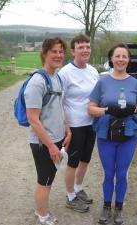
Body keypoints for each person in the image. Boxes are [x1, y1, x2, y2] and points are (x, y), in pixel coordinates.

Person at [88, 43, 137, 225]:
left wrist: (135, 110)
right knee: (108, 173)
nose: (121, 59)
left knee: (121, 174)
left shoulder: (136, 84)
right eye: (117, 56)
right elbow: (91, 108)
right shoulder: (102, 81)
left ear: (128, 60)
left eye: (124, 56)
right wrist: (107, 110)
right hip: (106, 135)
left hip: (128, 136)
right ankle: (107, 206)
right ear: (111, 59)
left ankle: (119, 208)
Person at [24, 37, 71, 225]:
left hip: (56, 139)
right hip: (43, 142)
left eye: (61, 52)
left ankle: (41, 210)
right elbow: (33, 119)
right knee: (44, 180)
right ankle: (42, 216)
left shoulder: (57, 77)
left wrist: (67, 128)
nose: (58, 55)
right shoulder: (37, 82)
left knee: (49, 178)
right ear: (44, 53)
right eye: (54, 51)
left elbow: (60, 105)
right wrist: (51, 145)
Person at [58, 34, 99, 213]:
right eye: (81, 47)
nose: (85, 50)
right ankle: (70, 196)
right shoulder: (65, 73)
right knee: (73, 162)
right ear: (73, 51)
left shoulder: (93, 71)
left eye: (88, 47)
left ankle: (78, 188)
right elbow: (60, 103)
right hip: (74, 125)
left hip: (91, 123)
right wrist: (67, 128)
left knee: (85, 160)